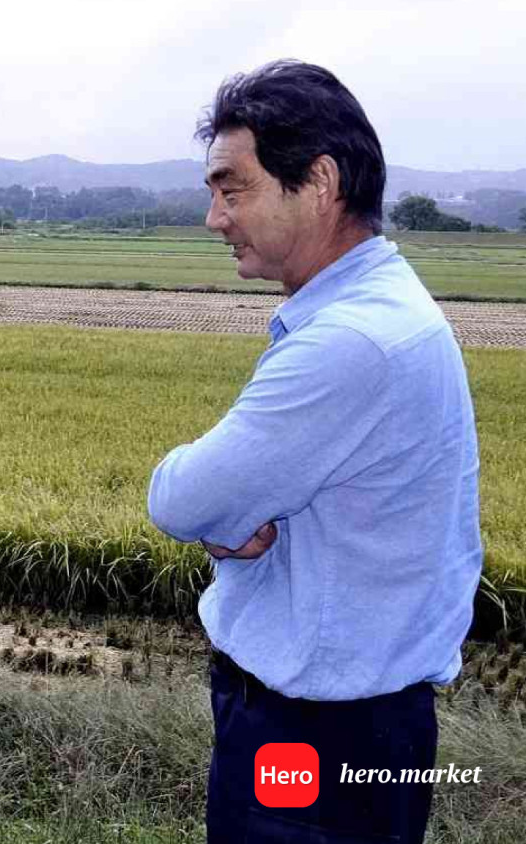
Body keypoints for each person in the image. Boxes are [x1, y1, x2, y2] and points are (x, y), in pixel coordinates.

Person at [146, 60, 482, 844]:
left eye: (233, 189)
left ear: (320, 180)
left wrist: (219, 515)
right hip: (359, 722)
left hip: (316, 738)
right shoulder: (380, 306)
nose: (214, 218)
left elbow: (181, 500)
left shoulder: (349, 342)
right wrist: (237, 518)